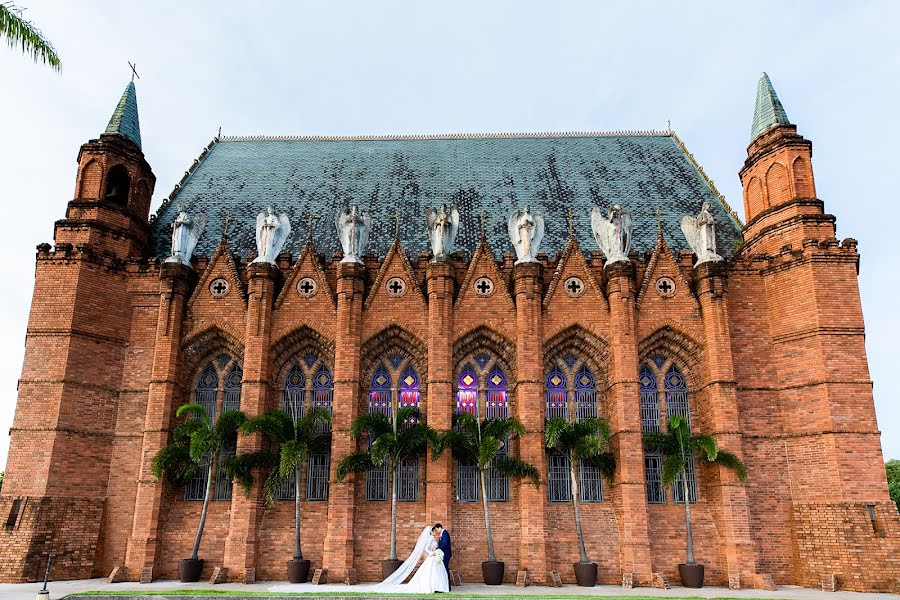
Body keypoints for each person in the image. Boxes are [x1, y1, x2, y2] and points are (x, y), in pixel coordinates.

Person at [434, 523, 452, 589]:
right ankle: (445, 585)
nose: (437, 531)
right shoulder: (442, 534)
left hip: (446, 554)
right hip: (444, 554)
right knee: (444, 569)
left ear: (439, 528)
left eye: (437, 529)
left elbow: (445, 544)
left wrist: (438, 549)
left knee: (445, 569)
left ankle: (448, 586)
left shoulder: (444, 533)